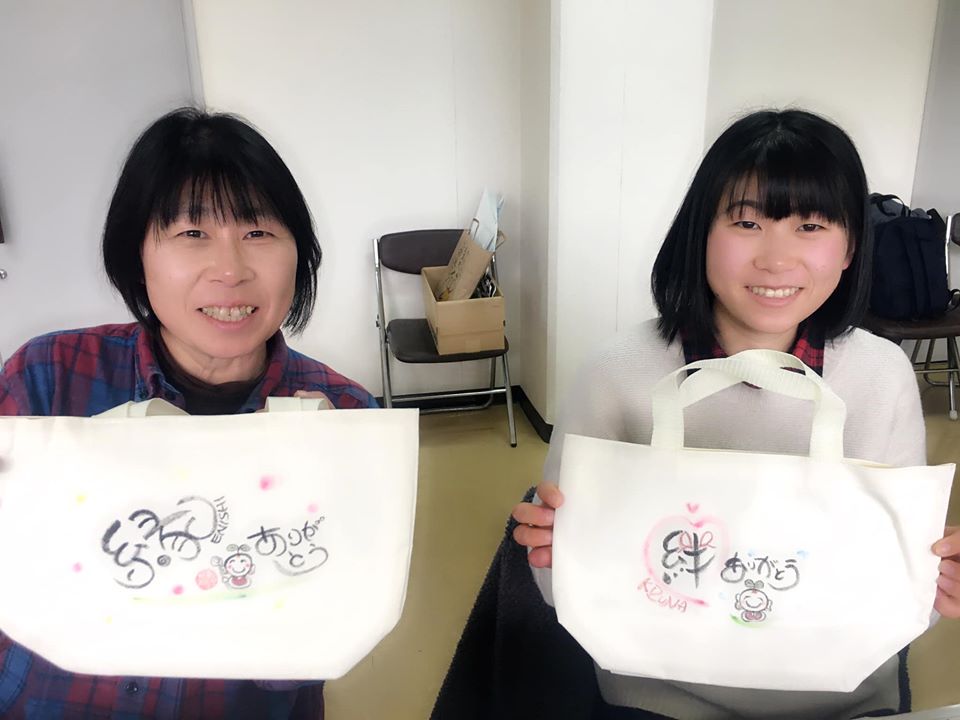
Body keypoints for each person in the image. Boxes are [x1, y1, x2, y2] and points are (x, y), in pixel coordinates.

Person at [511, 109, 960, 719]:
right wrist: (557, 553)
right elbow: (558, 584)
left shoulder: (881, 377)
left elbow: (899, 589)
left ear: (851, 246)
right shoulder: (616, 374)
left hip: (841, 698)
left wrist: (937, 583)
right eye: (747, 223)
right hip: (658, 694)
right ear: (700, 233)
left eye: (810, 226)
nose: (776, 260)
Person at [0, 107, 378, 718]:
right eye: (192, 233)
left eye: (258, 232)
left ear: (298, 253)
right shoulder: (47, 378)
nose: (230, 271)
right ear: (138, 254)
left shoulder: (349, 417)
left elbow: (319, 643)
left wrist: (318, 502)